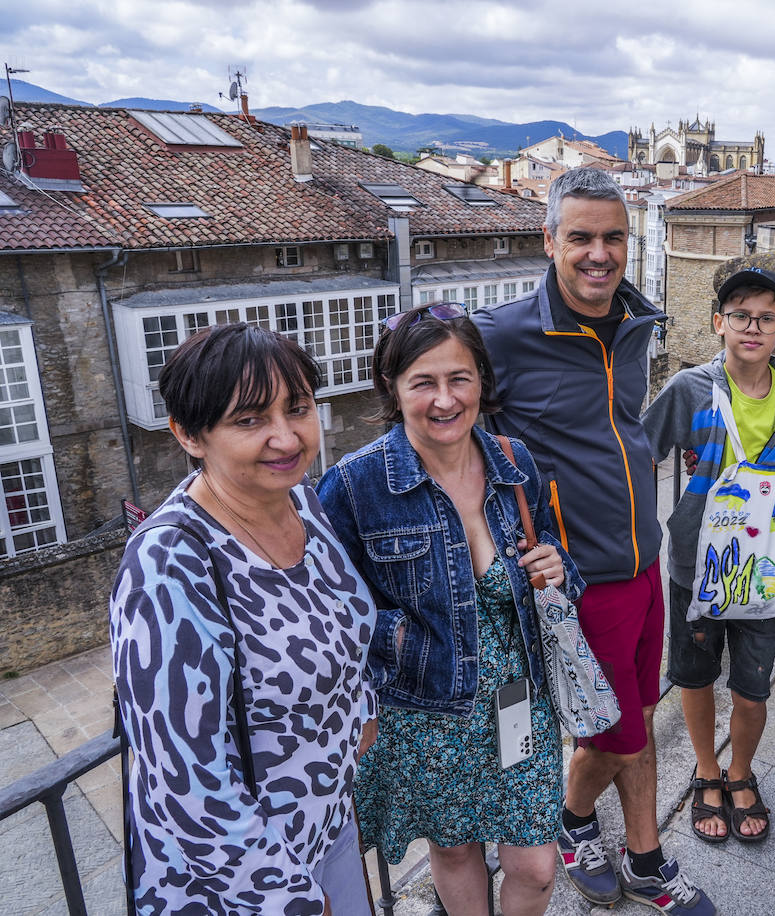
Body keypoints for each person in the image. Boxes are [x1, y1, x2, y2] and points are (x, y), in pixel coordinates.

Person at [472, 167, 715, 915]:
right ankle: (589, 833)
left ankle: (620, 845)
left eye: (614, 237)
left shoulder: (636, 325)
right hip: (580, 581)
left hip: (644, 566)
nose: (598, 253)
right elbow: (437, 424)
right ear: (549, 241)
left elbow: (624, 427)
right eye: (580, 237)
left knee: (636, 716)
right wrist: (495, 540)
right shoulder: (499, 335)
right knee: (612, 735)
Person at [318, 305, 580, 916]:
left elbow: (561, 567)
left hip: (519, 699)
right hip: (425, 710)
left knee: (536, 867)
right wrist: (401, 642)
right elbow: (331, 607)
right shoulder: (354, 486)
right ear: (393, 386)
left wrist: (558, 569)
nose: (444, 399)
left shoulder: (514, 462)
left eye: (459, 378)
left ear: (481, 382)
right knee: (456, 851)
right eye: (423, 382)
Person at [110, 324, 375, 915]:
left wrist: (362, 714)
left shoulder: (302, 502)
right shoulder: (169, 564)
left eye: (298, 408)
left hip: (326, 825)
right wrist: (290, 898)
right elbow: (186, 783)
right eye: (250, 420)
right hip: (238, 880)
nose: (286, 438)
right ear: (188, 434)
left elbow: (344, 622)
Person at [642, 267, 775, 846]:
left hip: (766, 571)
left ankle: (741, 772)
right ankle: (707, 770)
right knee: (694, 676)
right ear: (719, 322)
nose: (753, 327)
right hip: (698, 567)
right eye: (741, 315)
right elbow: (640, 456)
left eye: (767, 317)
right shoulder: (689, 389)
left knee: (753, 685)